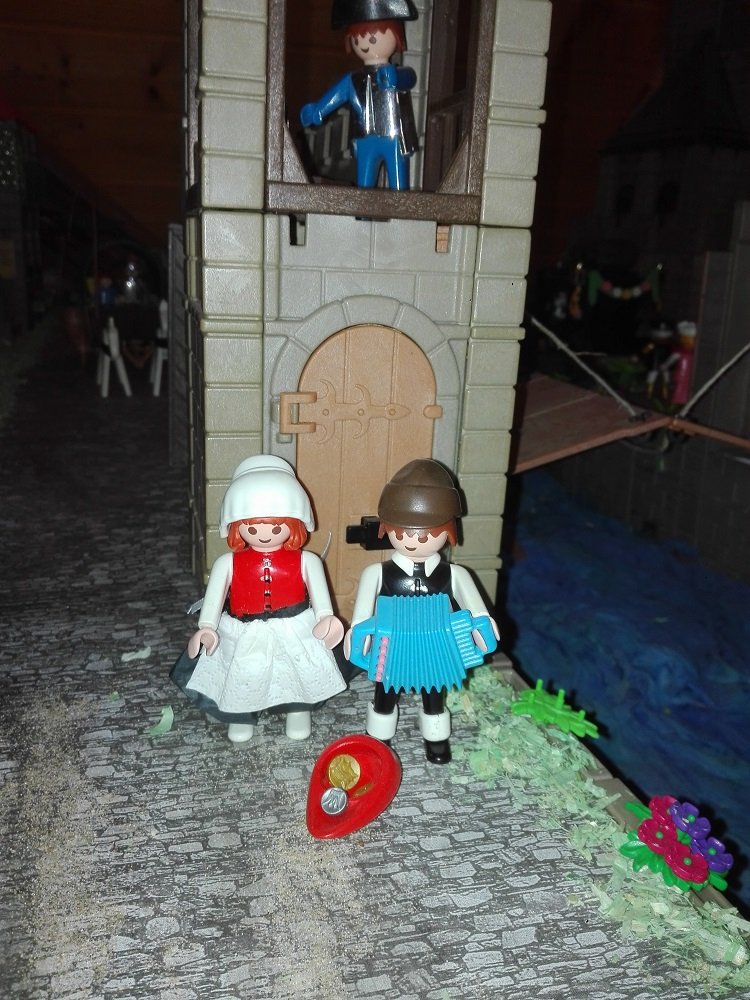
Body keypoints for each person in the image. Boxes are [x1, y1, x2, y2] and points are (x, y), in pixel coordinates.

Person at [171, 456, 346, 743]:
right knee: (244, 672)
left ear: (295, 525)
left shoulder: (307, 560)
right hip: (244, 628)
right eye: (252, 528)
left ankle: (298, 710)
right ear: (236, 527)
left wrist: (326, 617)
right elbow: (214, 598)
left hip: (293, 625)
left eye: (276, 528)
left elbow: (321, 599)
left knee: (295, 670)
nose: (264, 535)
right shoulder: (227, 563)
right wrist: (207, 626)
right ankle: (240, 714)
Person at [345, 459, 499, 763]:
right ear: (388, 529)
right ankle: (379, 738)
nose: (413, 542)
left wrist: (484, 625)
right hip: (391, 647)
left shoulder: (454, 574)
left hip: (438, 649)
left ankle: (436, 738)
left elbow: (476, 609)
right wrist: (358, 633)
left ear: (447, 532)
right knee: (384, 694)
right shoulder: (377, 573)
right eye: (403, 534)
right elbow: (361, 615)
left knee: (435, 695)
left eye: (425, 536)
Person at [299, 0, 418, 190]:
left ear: (396, 36)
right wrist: (318, 111)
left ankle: (400, 208)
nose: (363, 45)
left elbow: (409, 78)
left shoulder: (395, 74)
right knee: (364, 187)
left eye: (372, 39)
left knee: (399, 189)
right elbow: (336, 96)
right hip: (365, 138)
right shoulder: (354, 80)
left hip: (394, 136)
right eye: (357, 40)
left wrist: (394, 77)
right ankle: (365, 209)